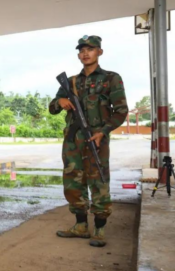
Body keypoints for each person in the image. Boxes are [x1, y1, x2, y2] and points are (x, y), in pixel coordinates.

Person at [49, 35, 128, 247]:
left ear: (99, 52)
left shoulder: (111, 78)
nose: (85, 53)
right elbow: (52, 108)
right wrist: (60, 101)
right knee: (73, 180)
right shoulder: (71, 82)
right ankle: (81, 226)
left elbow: (121, 111)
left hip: (97, 139)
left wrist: (103, 131)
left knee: (99, 180)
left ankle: (99, 229)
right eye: (82, 50)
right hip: (74, 140)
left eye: (90, 49)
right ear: (78, 55)